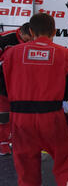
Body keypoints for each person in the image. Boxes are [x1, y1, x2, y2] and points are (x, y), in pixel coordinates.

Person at [0, 13, 68, 186]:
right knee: (66, 163)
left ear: (30, 31)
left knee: (26, 171)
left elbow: (2, 87)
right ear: (54, 32)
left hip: (20, 120)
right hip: (51, 117)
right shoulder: (65, 54)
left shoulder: (11, 54)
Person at [0, 23, 32, 155]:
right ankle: (3, 144)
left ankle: (13, 139)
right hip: (3, 84)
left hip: (21, 84)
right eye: (28, 39)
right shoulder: (5, 39)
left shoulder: (34, 41)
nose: (31, 42)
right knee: (4, 115)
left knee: (19, 115)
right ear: (22, 33)